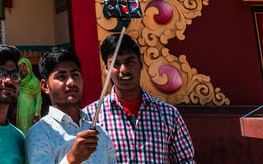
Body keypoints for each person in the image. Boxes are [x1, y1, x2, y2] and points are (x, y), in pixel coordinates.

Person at [80, 35, 196, 164]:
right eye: (115, 64)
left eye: (130, 62)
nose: (123, 70)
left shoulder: (168, 114)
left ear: (140, 64)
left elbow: (185, 160)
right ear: (106, 69)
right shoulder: (90, 117)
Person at [25, 47, 115, 164]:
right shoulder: (39, 133)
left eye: (75, 74)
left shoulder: (100, 132)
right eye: (61, 76)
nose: (71, 82)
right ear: (45, 86)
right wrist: (71, 159)